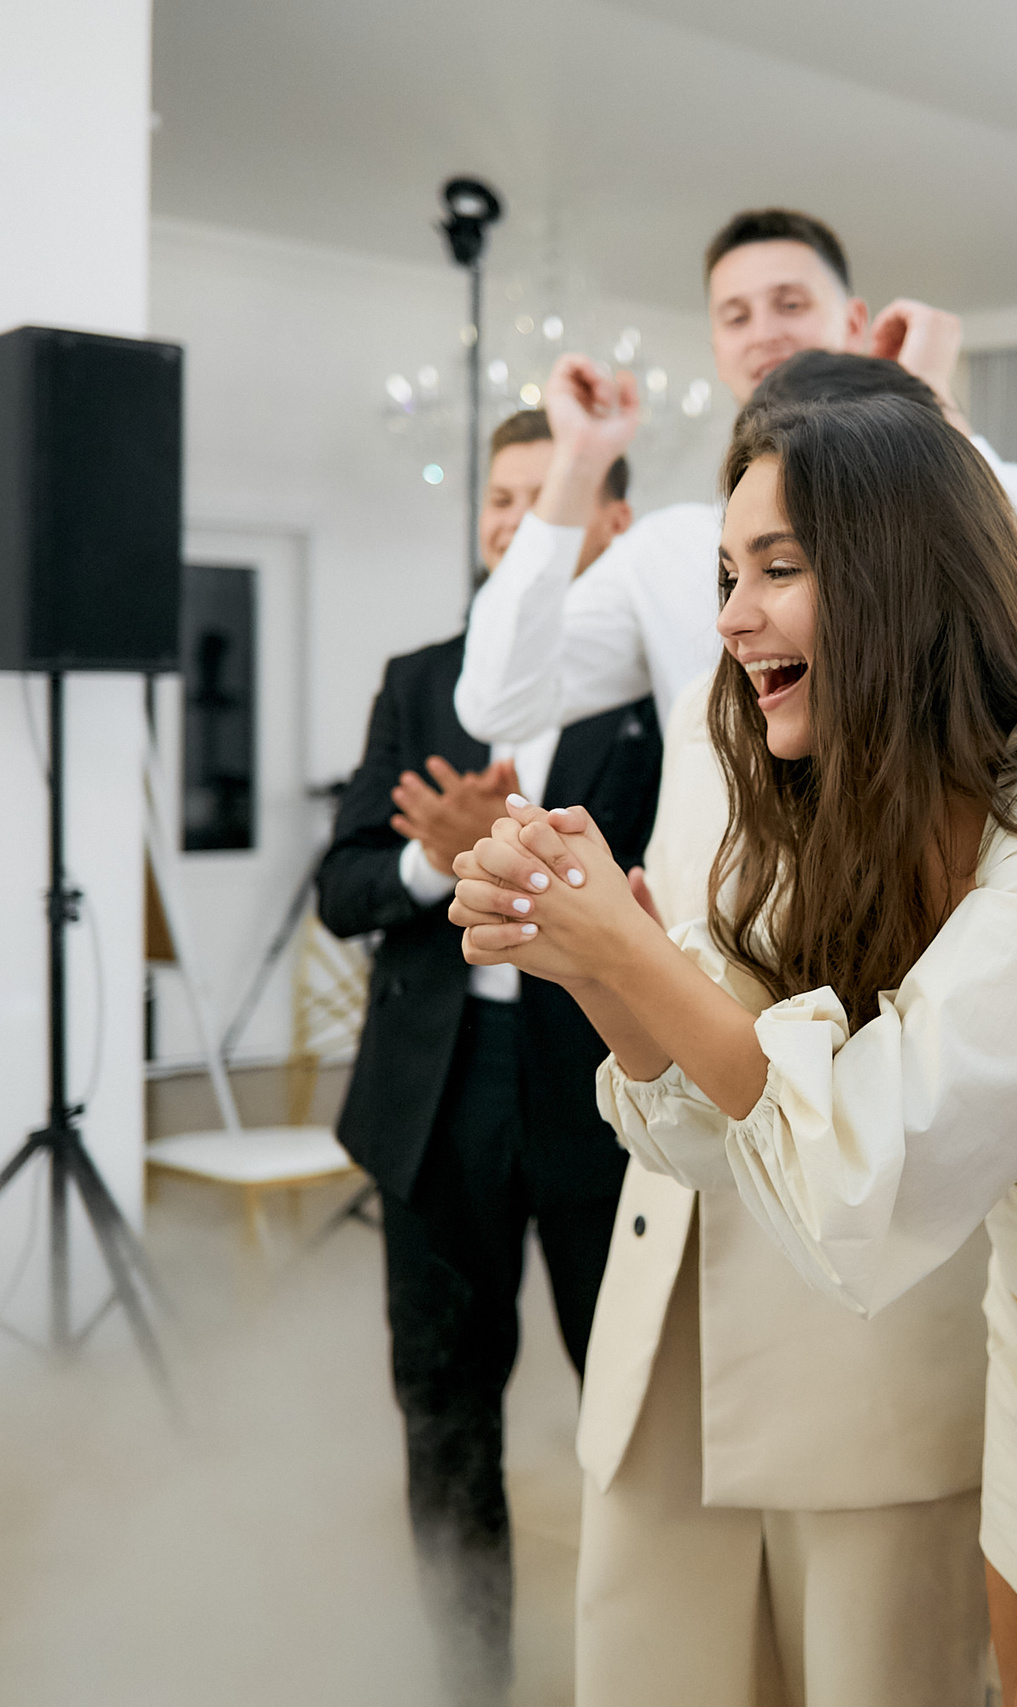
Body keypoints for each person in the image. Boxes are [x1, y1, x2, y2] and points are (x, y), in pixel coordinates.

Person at [450, 392, 1017, 1706]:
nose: (732, 618)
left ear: (900, 579)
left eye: (778, 570)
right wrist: (598, 967)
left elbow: (856, 1165)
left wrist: (636, 958)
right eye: (726, 576)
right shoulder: (871, 802)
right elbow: (717, 1125)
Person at [458, 210, 1017, 1707]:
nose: (740, 615)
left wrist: (930, 427)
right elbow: (500, 693)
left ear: (857, 314)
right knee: (660, 1634)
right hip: (687, 1129)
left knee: (868, 1633)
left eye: (791, 299)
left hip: (869, 1155)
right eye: (734, 308)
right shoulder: (675, 557)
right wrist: (574, 466)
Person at [315, 409, 659, 1699]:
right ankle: (470, 1680)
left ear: (612, 522)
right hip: (437, 1094)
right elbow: (343, 886)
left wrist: (522, 860)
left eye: (544, 496)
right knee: (443, 1405)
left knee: (631, 1409)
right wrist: (432, 861)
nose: (515, 522)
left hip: (604, 1097)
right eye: (500, 500)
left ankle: (643, 1668)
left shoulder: (662, 693)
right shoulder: (421, 681)